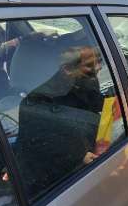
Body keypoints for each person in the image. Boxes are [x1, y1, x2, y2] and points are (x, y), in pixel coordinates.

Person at [15, 45, 104, 196]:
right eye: (89, 65)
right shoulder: (39, 103)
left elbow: (95, 106)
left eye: (98, 62)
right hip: (53, 186)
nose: (98, 68)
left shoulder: (79, 83)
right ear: (67, 69)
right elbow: (39, 147)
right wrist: (79, 158)